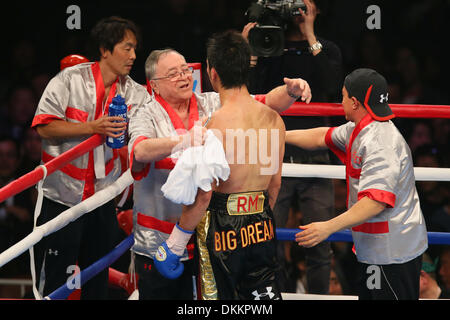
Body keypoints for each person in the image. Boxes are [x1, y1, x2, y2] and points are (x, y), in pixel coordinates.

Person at [127, 46, 311, 299]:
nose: (182, 77)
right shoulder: (144, 113)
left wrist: (291, 91)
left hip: (210, 237)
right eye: (173, 74)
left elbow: (265, 103)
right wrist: (182, 141)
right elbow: (140, 151)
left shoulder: (212, 103)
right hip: (160, 238)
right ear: (154, 85)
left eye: (185, 70)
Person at [153, 30, 286, 300]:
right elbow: (275, 184)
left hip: (222, 231)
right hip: (262, 225)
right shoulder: (275, 120)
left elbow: (203, 197)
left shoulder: (212, 127)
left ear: (213, 73)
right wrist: (256, 222)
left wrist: (175, 244)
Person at [31, 16, 151, 299]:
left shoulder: (137, 93)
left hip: (102, 200)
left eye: (135, 49)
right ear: (105, 50)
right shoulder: (69, 80)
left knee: (97, 281)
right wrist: (91, 128)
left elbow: (147, 138)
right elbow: (44, 127)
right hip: (60, 199)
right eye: (127, 48)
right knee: (54, 285)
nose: (134, 56)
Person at [286, 68, 428, 300]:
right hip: (373, 248)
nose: (339, 101)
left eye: (342, 96)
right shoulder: (360, 128)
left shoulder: (382, 142)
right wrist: (278, 135)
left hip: (392, 253)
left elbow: (374, 202)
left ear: (354, 102)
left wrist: (328, 227)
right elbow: (321, 137)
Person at [244, 0, 342, 294]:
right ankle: (274, 297)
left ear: (317, 10)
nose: (297, 13)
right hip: (273, 153)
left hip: (315, 154)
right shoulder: (268, 45)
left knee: (319, 241)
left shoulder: (328, 48)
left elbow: (332, 85)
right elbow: (248, 91)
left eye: (304, 6)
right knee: (267, 237)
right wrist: (250, 51)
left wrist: (310, 34)